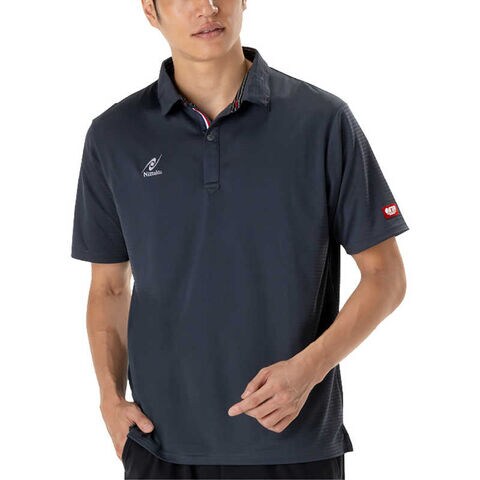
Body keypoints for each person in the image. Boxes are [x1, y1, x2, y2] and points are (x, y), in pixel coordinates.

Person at [70, 0, 409, 478]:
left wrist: (309, 370)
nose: (207, 8)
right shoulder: (113, 136)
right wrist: (109, 398)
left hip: (292, 444)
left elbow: (386, 276)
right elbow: (107, 288)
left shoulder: (322, 120)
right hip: (160, 446)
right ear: (150, 9)